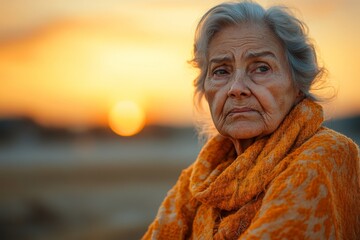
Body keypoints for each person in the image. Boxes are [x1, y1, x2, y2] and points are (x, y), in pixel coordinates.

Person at [142, 1, 360, 239]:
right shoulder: (199, 181)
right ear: (205, 89)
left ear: (298, 85)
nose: (237, 88)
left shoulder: (325, 156)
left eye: (261, 68)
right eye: (221, 71)